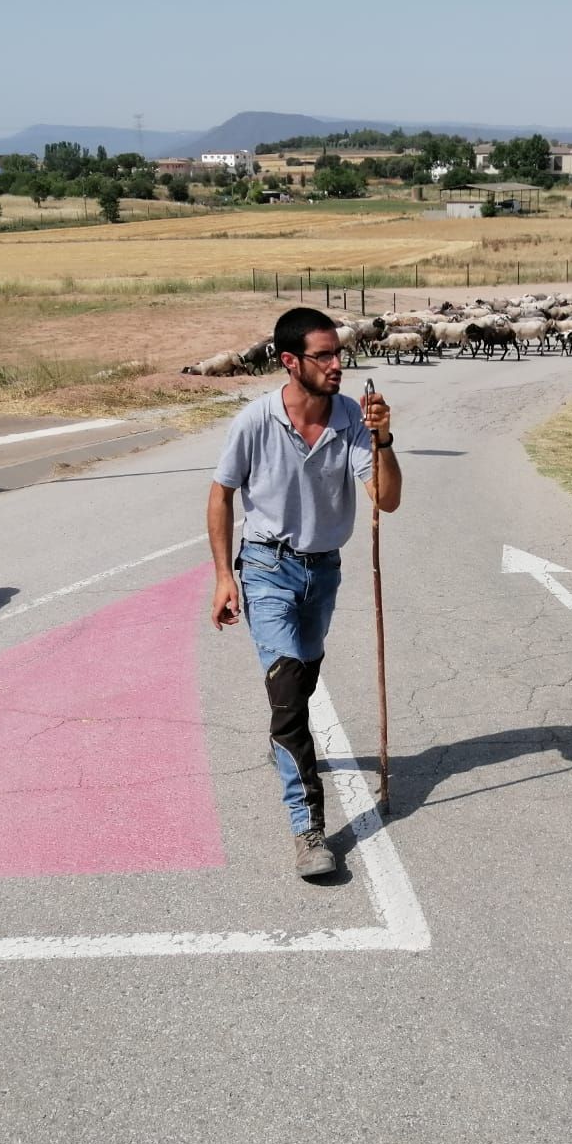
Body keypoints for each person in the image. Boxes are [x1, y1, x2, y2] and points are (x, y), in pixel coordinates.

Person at [207, 307, 402, 878]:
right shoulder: (254, 422)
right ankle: (308, 827)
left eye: (339, 353)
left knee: (305, 672)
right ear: (290, 362)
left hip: (324, 571)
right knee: (289, 690)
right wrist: (224, 576)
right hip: (267, 568)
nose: (337, 364)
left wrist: (383, 438)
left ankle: (283, 743)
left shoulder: (351, 419)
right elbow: (220, 495)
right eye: (323, 356)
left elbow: (386, 500)